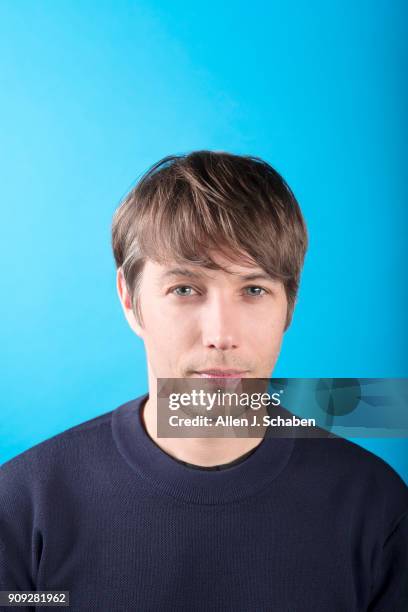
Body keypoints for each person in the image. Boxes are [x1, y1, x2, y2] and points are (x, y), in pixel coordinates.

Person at [0, 151, 407, 611]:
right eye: (185, 289)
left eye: (254, 290)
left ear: (289, 306)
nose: (222, 336)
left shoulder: (377, 508)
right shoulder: (21, 506)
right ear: (129, 300)